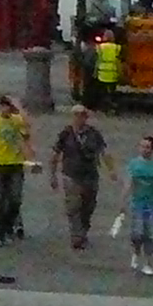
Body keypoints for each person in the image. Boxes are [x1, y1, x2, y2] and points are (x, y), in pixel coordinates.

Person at [49, 102, 116, 249]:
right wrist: (52, 174)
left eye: (82, 115)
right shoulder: (65, 134)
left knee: (88, 205)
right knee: (73, 206)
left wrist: (111, 170)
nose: (79, 118)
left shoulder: (94, 134)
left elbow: (104, 152)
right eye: (76, 115)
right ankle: (76, 236)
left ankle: (83, 230)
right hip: (71, 175)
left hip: (90, 175)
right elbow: (55, 154)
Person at [0, 93, 35, 244]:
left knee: (15, 199)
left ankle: (10, 225)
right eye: (6, 105)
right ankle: (0, 231)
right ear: (1, 106)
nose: (7, 109)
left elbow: (28, 124)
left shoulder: (17, 121)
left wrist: (19, 107)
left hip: (15, 164)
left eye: (10, 106)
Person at [127, 135, 153, 276]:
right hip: (138, 203)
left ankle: (148, 262)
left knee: (151, 234)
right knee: (138, 233)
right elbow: (129, 183)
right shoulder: (134, 164)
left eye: (148, 147)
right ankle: (136, 253)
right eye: (142, 146)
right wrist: (123, 201)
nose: (145, 150)